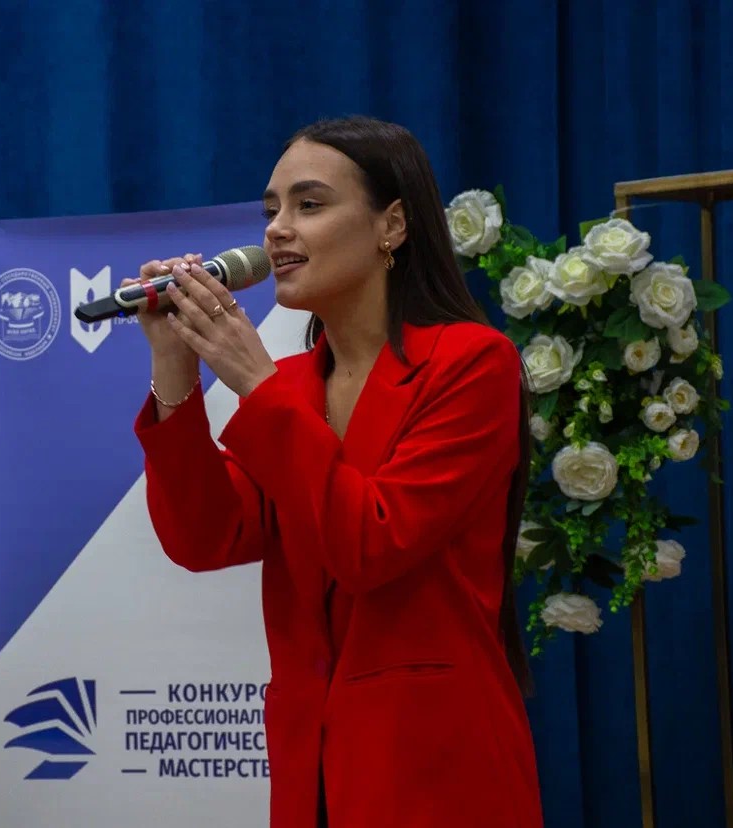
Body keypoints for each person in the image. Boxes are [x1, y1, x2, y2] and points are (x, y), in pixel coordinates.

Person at [126, 116, 544, 827]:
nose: (277, 230)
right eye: (271, 210)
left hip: (438, 770)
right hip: (311, 770)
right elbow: (205, 536)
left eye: (310, 205)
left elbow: (370, 546)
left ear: (393, 226)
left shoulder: (472, 363)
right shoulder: (294, 385)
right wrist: (174, 364)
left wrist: (257, 387)